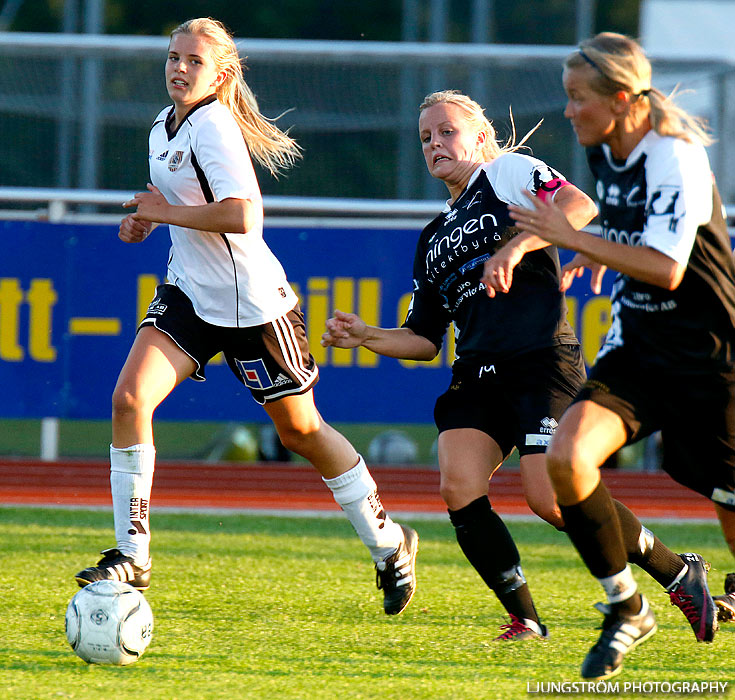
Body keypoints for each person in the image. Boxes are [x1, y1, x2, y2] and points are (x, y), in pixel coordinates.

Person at [73, 17, 417, 617]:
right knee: (129, 400)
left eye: (194, 61)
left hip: (252, 306)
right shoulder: (163, 126)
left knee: (300, 433)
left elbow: (242, 217)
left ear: (221, 73)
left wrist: (168, 213)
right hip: (189, 294)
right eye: (173, 57)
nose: (179, 68)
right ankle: (134, 552)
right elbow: (186, 202)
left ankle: (390, 543)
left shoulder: (215, 127)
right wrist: (149, 218)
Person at [323, 89, 598, 640]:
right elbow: (424, 339)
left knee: (550, 500)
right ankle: (526, 619)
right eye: (426, 138)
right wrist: (367, 336)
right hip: (478, 371)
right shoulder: (432, 238)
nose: (435, 144)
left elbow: (579, 205)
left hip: (540, 359)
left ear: (478, 136)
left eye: (446, 132)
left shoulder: (508, 173)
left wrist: (514, 249)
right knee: (458, 484)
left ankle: (672, 569)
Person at [508, 32, 735, 679]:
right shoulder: (608, 151)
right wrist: (590, 248)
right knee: (565, 459)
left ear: (619, 97)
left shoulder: (674, 156)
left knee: (728, 503)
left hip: (708, 356)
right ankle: (626, 605)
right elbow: (639, 240)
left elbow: (665, 268)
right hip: (639, 349)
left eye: (578, 98)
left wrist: (572, 236)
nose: (569, 111)